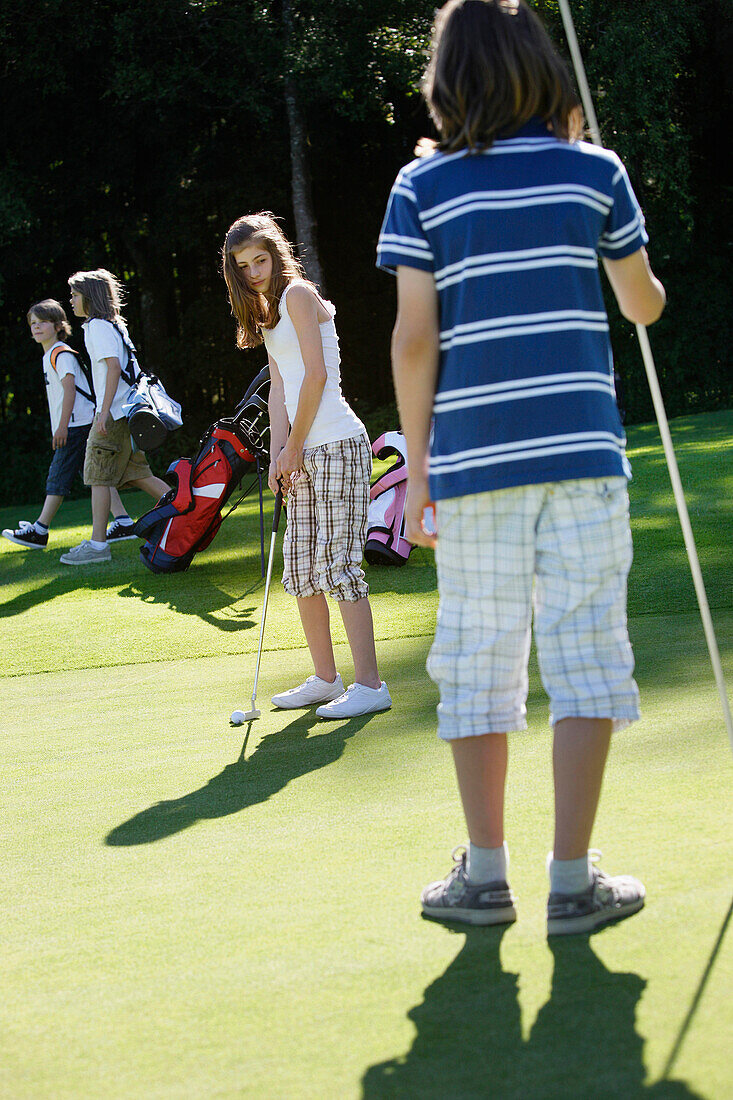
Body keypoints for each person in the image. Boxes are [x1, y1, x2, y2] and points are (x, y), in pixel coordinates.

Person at [377, 0, 666, 934]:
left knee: (476, 661)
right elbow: (643, 304)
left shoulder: (422, 188)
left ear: (447, 78)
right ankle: (572, 880)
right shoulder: (594, 171)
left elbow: (414, 341)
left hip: (471, 459)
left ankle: (486, 876)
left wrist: (414, 472)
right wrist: (626, 245)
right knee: (586, 655)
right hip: (582, 452)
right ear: (539, 68)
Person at [222, 213, 391, 719]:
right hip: (300, 448)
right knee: (300, 568)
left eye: (261, 260)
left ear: (277, 254)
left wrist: (293, 447)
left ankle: (371, 685)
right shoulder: (264, 310)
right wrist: (278, 454)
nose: (254, 271)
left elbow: (316, 376)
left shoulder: (296, 294)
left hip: (335, 443)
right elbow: (278, 390)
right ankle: (324, 678)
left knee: (338, 566)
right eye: (243, 266)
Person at [2, 299, 132, 551]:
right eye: (33, 323)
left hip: (77, 425)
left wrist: (62, 427)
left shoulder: (60, 353)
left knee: (58, 475)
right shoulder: (51, 354)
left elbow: (70, 390)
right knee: (96, 477)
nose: (36, 328)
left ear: (58, 326)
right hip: (78, 424)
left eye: (43, 323)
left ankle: (40, 530)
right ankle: (124, 521)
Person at [61, 269, 169, 565]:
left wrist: (103, 412)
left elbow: (111, 368)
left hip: (113, 414)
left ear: (90, 297)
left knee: (97, 475)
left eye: (75, 295)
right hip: (126, 411)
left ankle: (97, 546)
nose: (71, 301)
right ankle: (190, 511)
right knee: (139, 475)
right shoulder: (113, 324)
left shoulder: (96, 326)